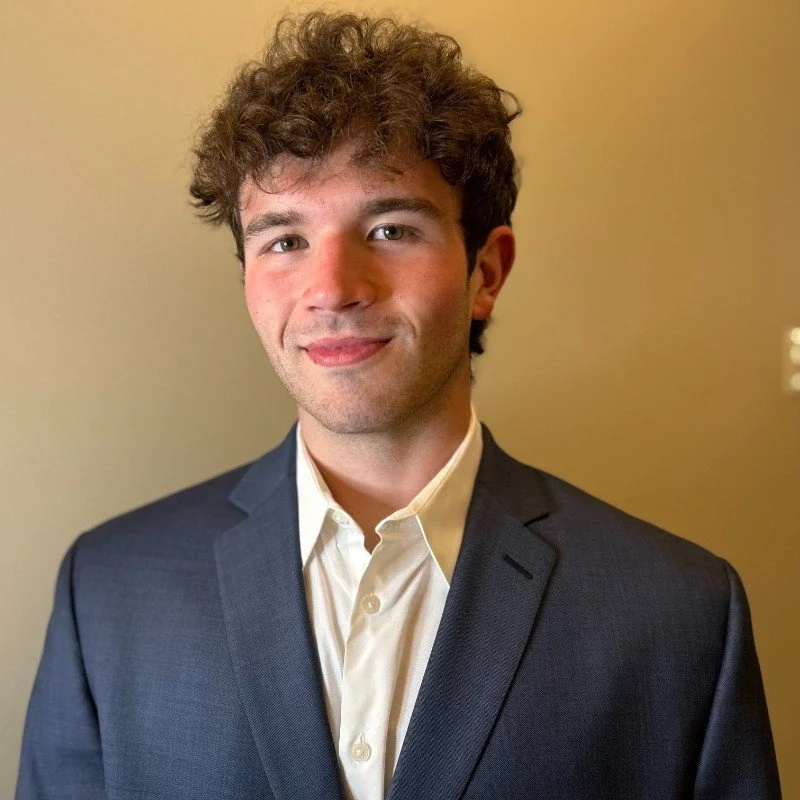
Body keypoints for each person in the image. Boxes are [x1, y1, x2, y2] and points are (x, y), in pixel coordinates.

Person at [15, 11, 781, 800]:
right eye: (283, 240)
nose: (334, 288)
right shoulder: (107, 591)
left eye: (388, 228)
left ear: (487, 272)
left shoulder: (680, 616)